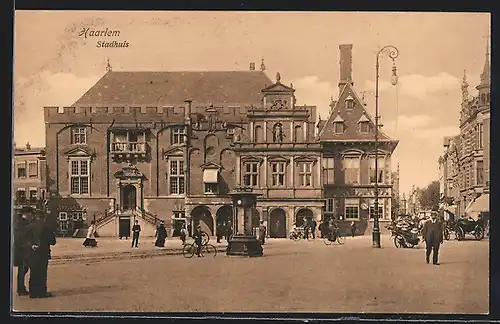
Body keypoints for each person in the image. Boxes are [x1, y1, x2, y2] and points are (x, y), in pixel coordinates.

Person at [25, 211, 56, 298]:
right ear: (44, 217)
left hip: (32, 253)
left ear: (35, 216)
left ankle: (33, 293)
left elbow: (24, 240)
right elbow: (53, 242)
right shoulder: (47, 227)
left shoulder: (29, 227)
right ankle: (42, 292)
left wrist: (31, 245)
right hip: (43, 253)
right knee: (42, 273)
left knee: (33, 272)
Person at [14, 211, 33, 296]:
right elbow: (21, 238)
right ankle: (20, 289)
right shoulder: (22, 224)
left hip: (20, 250)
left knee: (22, 271)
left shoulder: (20, 223)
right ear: (27, 214)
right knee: (22, 270)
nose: (32, 217)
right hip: (22, 251)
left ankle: (21, 288)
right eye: (31, 215)